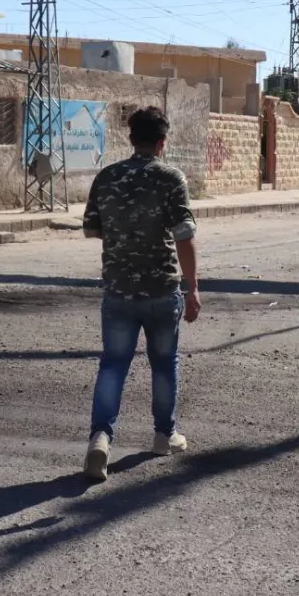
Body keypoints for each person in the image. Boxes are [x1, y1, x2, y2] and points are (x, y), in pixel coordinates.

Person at [80, 105, 201, 482]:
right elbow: (184, 235)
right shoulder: (171, 178)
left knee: (113, 364)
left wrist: (124, 230)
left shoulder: (108, 176)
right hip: (162, 288)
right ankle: (164, 435)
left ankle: (100, 436)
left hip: (118, 289)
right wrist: (193, 287)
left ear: (130, 139)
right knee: (164, 363)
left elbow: (91, 228)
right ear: (163, 142)